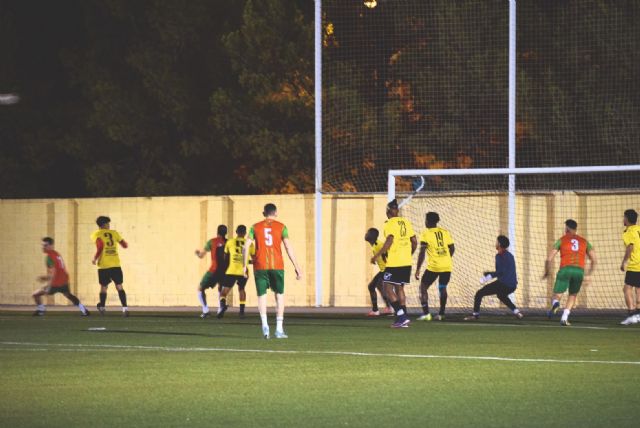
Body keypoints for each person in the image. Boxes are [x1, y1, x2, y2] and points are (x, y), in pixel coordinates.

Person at [243, 203, 302, 339]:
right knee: (279, 296)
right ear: (275, 213)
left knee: (261, 296)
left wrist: (244, 266)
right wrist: (297, 267)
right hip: (277, 266)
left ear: (264, 213)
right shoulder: (282, 227)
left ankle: (265, 325)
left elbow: (246, 247)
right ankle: (279, 329)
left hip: (260, 265)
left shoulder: (254, 227)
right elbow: (288, 247)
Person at [371, 199, 417, 328]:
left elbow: (389, 240)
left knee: (386, 287)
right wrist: (409, 254)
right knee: (400, 288)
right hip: (406, 261)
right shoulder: (406, 222)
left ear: (388, 211)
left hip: (395, 262)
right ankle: (403, 318)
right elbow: (414, 241)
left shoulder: (389, 223)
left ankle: (401, 316)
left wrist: (376, 255)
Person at [543, 219, 596, 326]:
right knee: (573, 294)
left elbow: (549, 258)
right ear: (575, 229)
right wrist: (588, 274)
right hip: (579, 271)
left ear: (566, 228)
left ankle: (555, 303)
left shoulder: (562, 240)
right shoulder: (584, 241)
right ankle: (564, 317)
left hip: (565, 269)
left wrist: (546, 272)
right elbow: (594, 259)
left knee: (557, 294)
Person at [464, 235, 523, 321]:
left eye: (496, 242)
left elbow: (499, 272)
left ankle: (475, 315)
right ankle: (517, 312)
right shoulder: (510, 255)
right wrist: (490, 273)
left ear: (499, 244)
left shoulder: (499, 256)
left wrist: (486, 278)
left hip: (503, 284)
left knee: (479, 293)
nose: (495, 244)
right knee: (501, 295)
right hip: (512, 285)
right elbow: (503, 271)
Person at [32, 237, 89, 316]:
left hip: (55, 283)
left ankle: (41, 310)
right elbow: (58, 270)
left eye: (45, 245)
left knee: (35, 294)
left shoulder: (49, 257)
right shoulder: (56, 254)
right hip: (64, 281)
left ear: (51, 245)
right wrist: (45, 277)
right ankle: (84, 310)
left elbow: (54, 272)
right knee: (69, 295)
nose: (43, 247)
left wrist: (49, 286)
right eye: (42, 245)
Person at [414, 212, 454, 321]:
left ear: (427, 221)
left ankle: (426, 314)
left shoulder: (425, 234)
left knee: (423, 287)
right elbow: (452, 248)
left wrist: (417, 269)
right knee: (442, 288)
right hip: (447, 265)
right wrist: (446, 258)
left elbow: (422, 253)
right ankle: (441, 314)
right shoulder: (445, 232)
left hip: (434, 266)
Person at [91, 216, 129, 316]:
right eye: (107, 223)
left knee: (104, 286)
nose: (109, 225)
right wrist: (122, 244)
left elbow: (100, 246)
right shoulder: (114, 233)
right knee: (119, 286)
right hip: (115, 264)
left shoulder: (96, 234)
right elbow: (125, 245)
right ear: (103, 224)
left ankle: (102, 307)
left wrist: (95, 258)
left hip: (104, 264)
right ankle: (125, 308)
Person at [217, 225, 254, 319]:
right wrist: (246, 261)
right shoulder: (249, 243)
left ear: (236, 232)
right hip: (243, 271)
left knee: (224, 291)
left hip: (231, 270)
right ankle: (241, 312)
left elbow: (225, 258)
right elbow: (254, 259)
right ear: (245, 233)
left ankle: (222, 306)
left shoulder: (230, 242)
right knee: (241, 289)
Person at [195, 225, 228, 318]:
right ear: (226, 233)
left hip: (213, 270)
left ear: (217, 232)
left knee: (200, 288)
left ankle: (206, 311)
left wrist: (198, 253)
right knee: (221, 288)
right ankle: (220, 309)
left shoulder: (212, 242)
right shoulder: (228, 242)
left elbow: (201, 255)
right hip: (225, 270)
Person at [364, 228, 393, 317]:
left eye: (367, 233)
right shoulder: (374, 245)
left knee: (371, 286)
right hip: (383, 270)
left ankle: (376, 310)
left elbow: (387, 253)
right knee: (379, 287)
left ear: (372, 236)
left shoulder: (378, 245)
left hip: (386, 270)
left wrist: (377, 258)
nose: (365, 234)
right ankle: (389, 307)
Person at [620, 209, 640, 325]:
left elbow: (630, 247)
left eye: (623, 217)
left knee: (627, 289)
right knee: (638, 289)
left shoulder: (628, 232)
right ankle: (638, 314)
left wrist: (624, 262)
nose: (623, 219)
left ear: (627, 218)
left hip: (635, 264)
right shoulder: (639, 229)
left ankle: (632, 314)